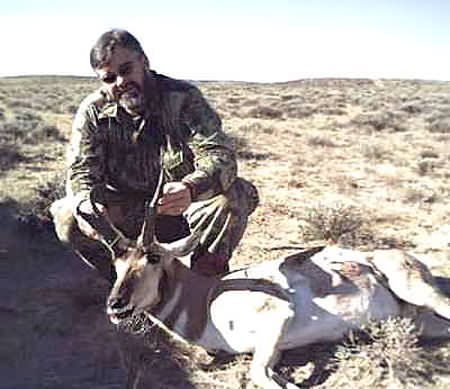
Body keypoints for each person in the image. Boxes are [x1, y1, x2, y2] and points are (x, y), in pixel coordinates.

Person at [50, 28, 258, 281]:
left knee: (232, 198)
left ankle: (203, 284)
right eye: (109, 78)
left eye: (126, 70)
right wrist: (86, 203)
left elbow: (219, 155)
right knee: (69, 215)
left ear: (144, 61)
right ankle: (121, 281)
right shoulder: (93, 111)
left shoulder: (183, 99)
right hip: (126, 214)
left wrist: (190, 188)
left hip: (180, 208)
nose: (120, 82)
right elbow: (81, 170)